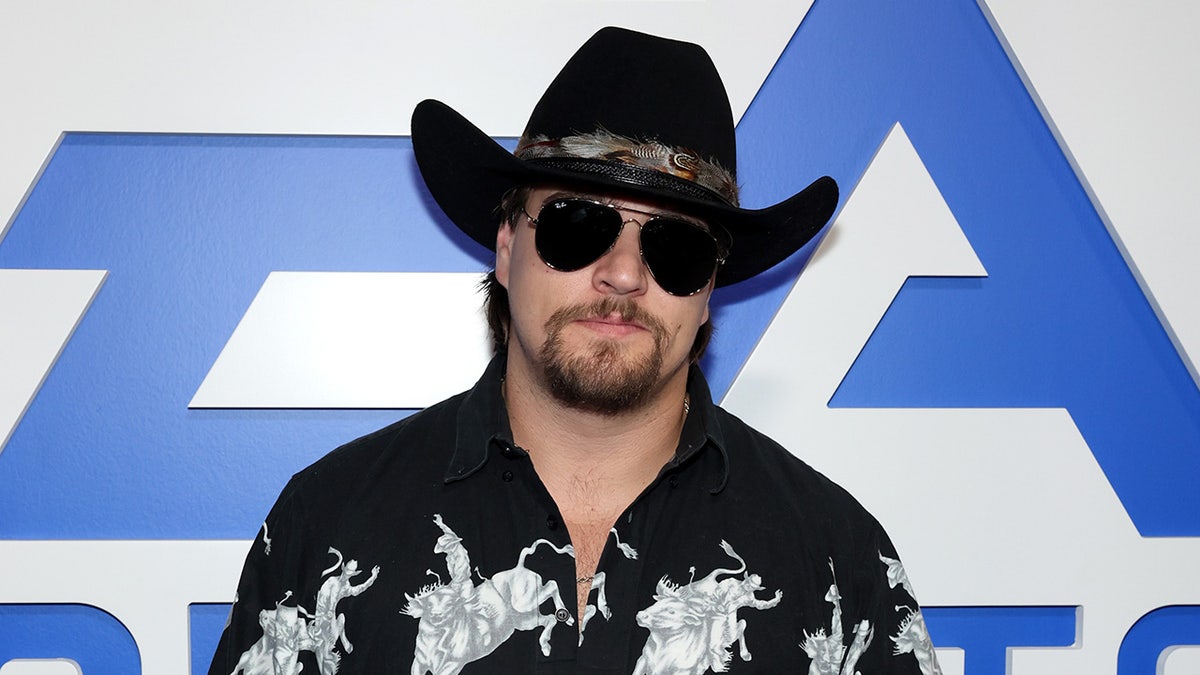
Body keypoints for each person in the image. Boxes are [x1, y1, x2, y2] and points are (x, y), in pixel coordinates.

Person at [208, 27, 942, 675]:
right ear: (506, 247)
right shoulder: (328, 525)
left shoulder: (836, 562)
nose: (623, 273)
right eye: (578, 225)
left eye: (676, 247)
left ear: (708, 287)